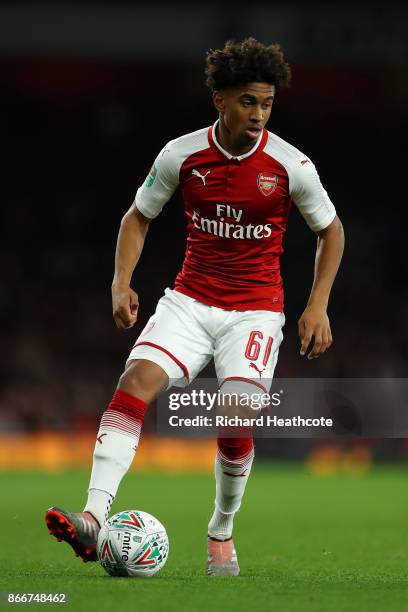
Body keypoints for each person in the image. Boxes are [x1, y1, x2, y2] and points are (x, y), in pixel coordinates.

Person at [45, 37, 344, 576]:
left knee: (233, 420)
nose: (258, 115)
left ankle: (220, 533)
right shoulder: (180, 155)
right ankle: (92, 517)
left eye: (267, 104)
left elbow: (331, 230)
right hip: (188, 300)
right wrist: (121, 282)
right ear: (220, 101)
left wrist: (317, 303)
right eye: (248, 101)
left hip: (254, 312)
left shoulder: (290, 165)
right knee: (134, 382)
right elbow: (137, 217)